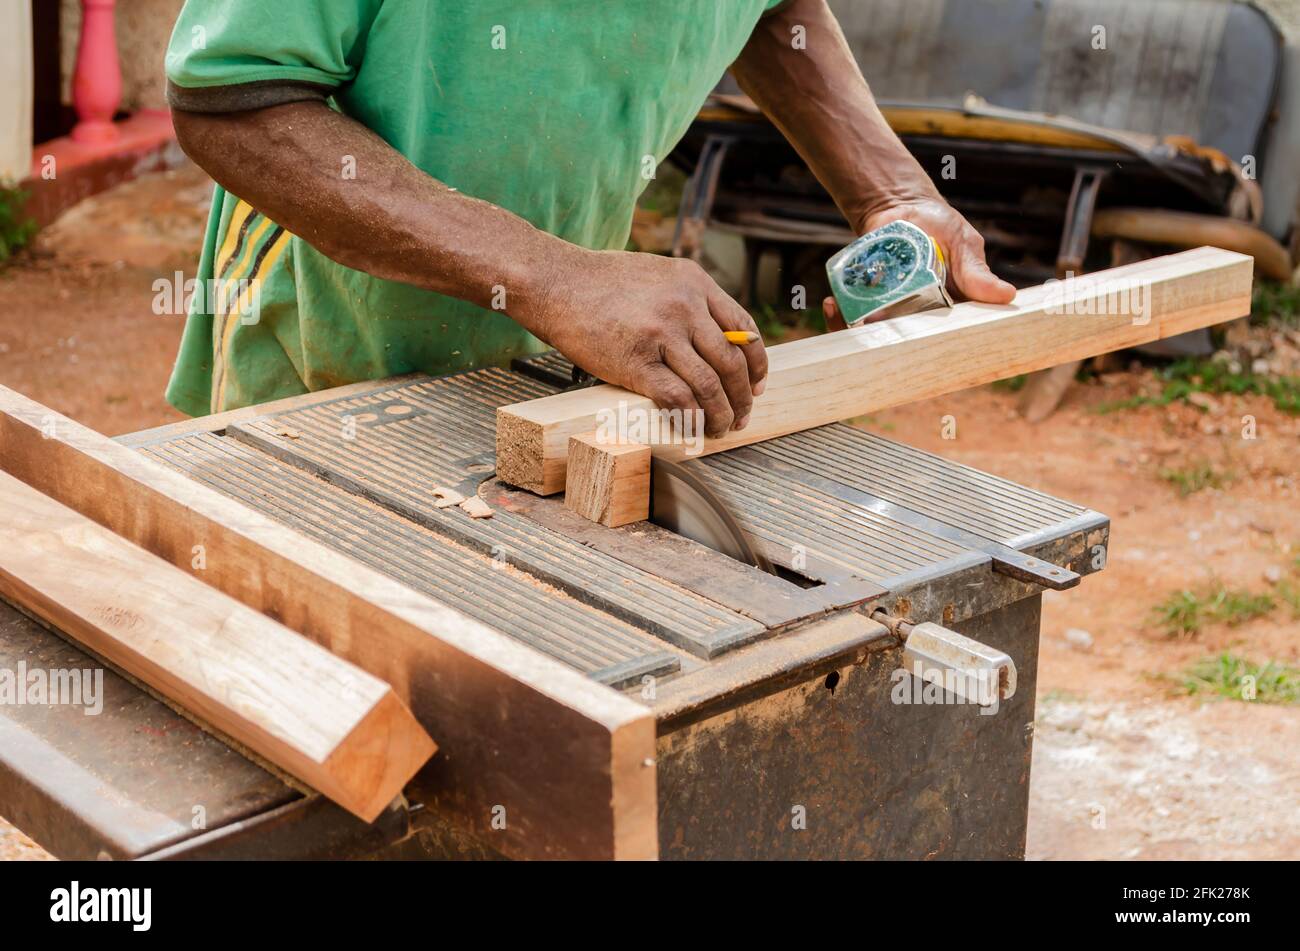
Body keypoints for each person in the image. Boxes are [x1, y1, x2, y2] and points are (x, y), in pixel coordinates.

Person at [164, 0, 1014, 436]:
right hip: (329, 348)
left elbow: (776, 9)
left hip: (555, 346)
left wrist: (890, 195)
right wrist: (554, 276)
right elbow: (232, 98)